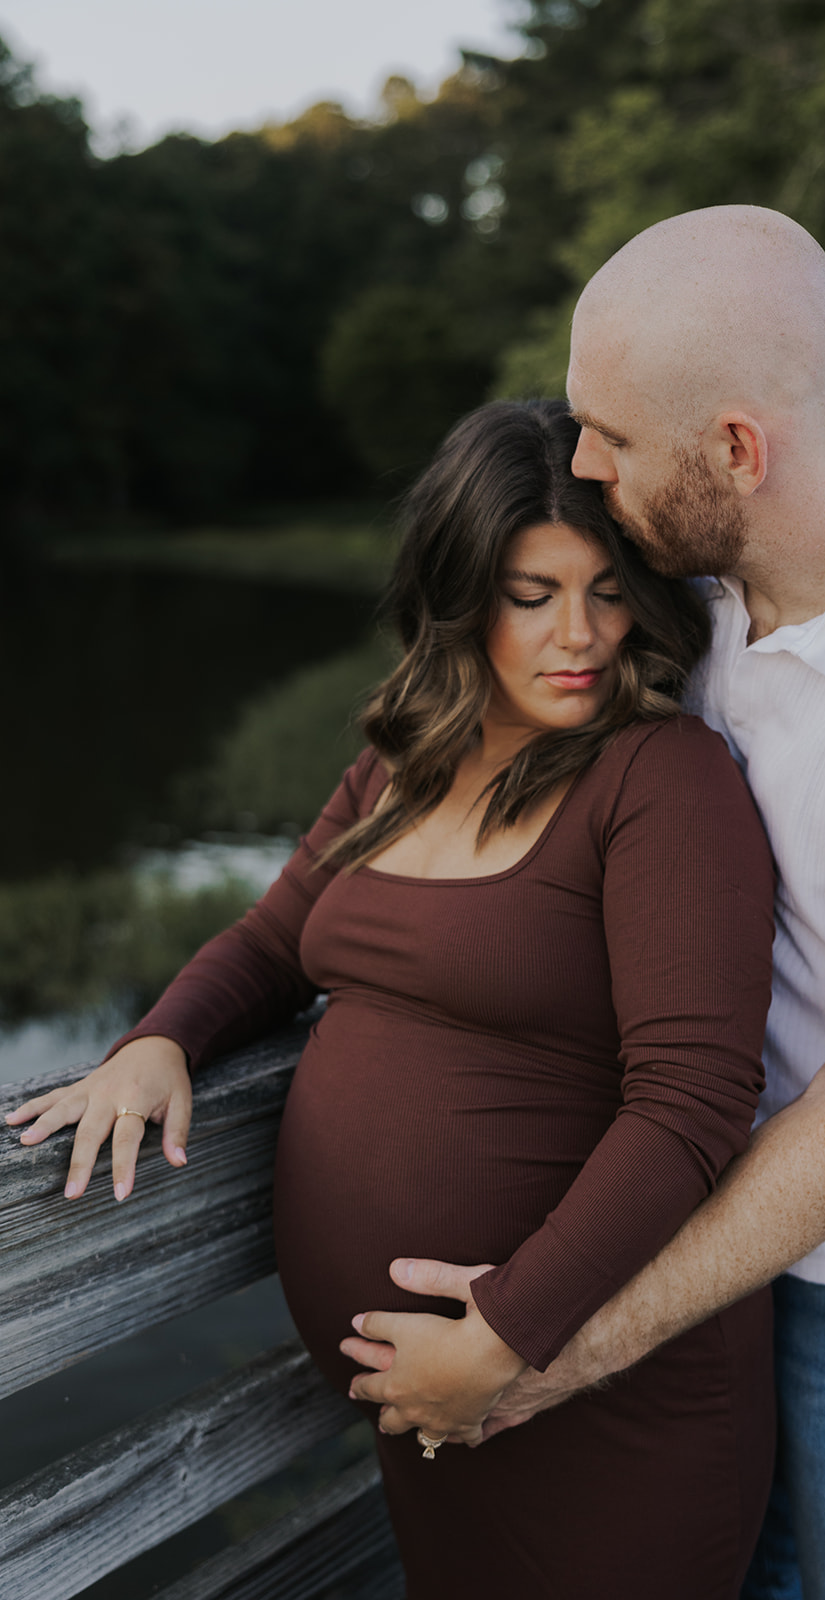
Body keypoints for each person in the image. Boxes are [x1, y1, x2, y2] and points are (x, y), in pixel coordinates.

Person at [342, 209, 825, 1600]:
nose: (583, 464)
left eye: (608, 435)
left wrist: (544, 1348)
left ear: (737, 451)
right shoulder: (706, 581)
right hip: (700, 1209)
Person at [6, 399, 778, 1600]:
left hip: (594, 1401)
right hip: (431, 1405)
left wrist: (503, 1337)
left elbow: (692, 1104)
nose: (579, 633)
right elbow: (273, 941)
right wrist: (161, 1038)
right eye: (531, 593)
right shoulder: (404, 760)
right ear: (459, 591)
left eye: (607, 589)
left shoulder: (659, 778)